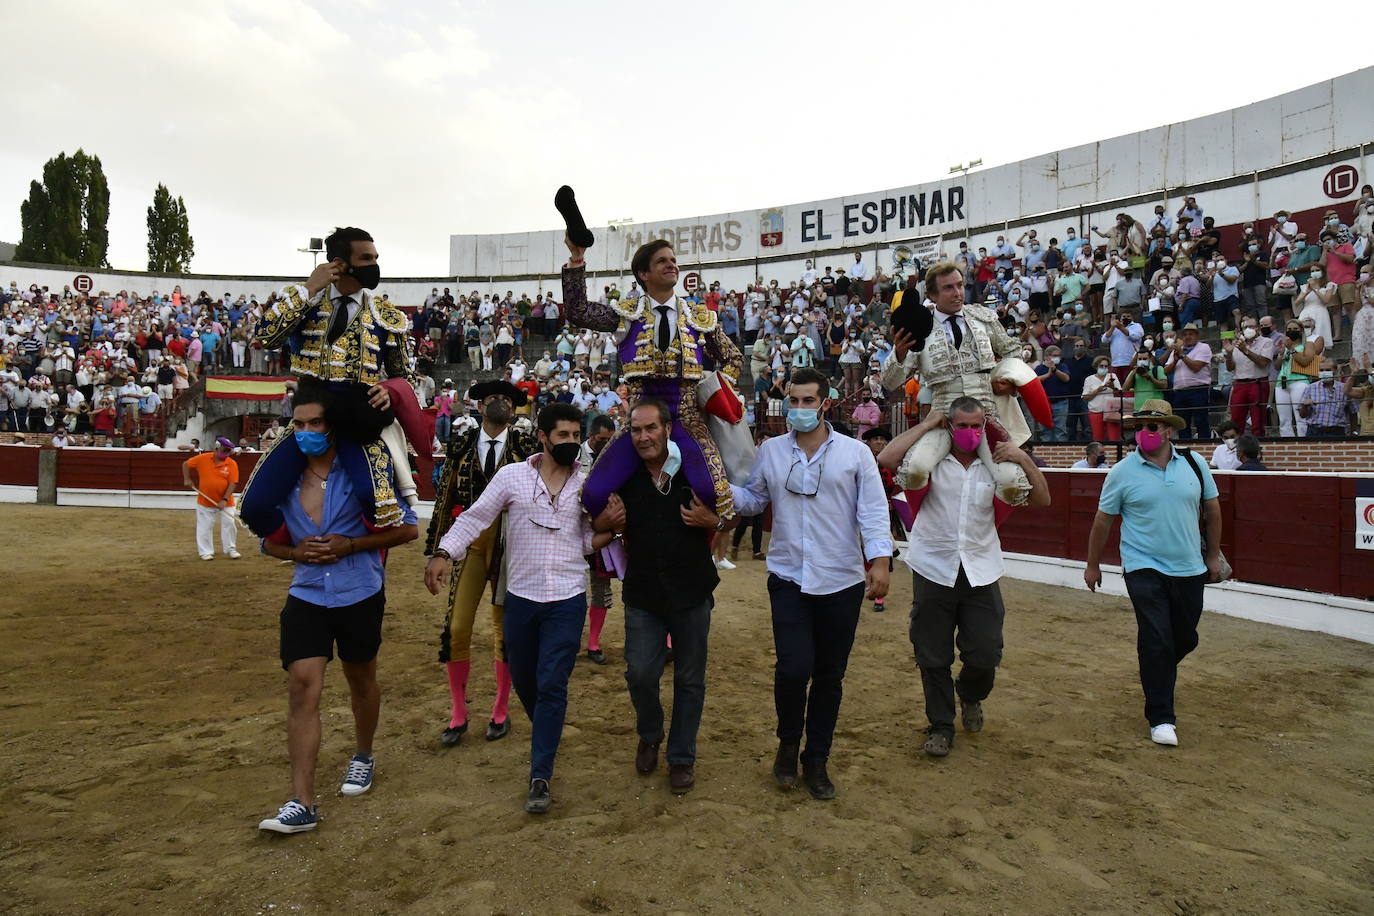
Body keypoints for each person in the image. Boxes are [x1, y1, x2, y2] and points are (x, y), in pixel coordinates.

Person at [426, 403, 613, 814]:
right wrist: (443, 552)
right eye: (562, 436)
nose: (570, 442)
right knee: (529, 682)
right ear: (543, 437)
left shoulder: (587, 485)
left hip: (566, 599)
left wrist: (609, 530)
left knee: (551, 684)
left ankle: (540, 773)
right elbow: (475, 518)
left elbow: (584, 541)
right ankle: (547, 726)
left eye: (574, 435)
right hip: (521, 598)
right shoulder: (512, 476)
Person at [256, 387, 419, 834]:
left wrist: (353, 544)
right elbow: (267, 542)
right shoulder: (284, 476)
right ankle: (301, 802)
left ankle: (363, 754)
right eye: (299, 424)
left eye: (315, 424)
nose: (306, 432)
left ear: (333, 426)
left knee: (361, 678)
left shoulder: (362, 470)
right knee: (302, 687)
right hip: (306, 593)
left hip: (360, 590)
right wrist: (295, 553)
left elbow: (408, 530)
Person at [730, 368, 891, 800]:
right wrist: (716, 487)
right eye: (792, 402)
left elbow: (873, 512)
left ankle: (816, 757)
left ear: (825, 403)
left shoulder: (856, 454)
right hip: (788, 575)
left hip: (840, 578)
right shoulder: (771, 451)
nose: (798, 410)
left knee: (829, 675)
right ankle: (787, 744)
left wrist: (880, 561)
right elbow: (754, 500)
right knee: (792, 668)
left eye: (806, 402)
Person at [877, 398, 1050, 757]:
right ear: (950, 427)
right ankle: (940, 725)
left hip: (981, 570)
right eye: (962, 426)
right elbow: (886, 460)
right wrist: (927, 424)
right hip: (933, 568)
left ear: (983, 425)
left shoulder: (996, 466)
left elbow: (1043, 501)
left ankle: (970, 694)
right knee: (932, 654)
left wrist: (1022, 458)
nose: (970, 432)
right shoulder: (931, 463)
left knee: (986, 652)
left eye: (976, 425)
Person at [244, 226, 427, 519]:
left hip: (358, 419)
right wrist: (309, 288)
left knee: (378, 503)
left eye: (375, 257)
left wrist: (390, 390)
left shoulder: (386, 314)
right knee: (254, 505)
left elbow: (403, 376)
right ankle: (303, 547)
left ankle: (356, 551)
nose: (375, 265)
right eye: (366, 258)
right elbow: (265, 337)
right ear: (339, 264)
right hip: (308, 417)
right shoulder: (306, 301)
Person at [561, 237, 745, 521]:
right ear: (643, 274)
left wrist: (713, 394)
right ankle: (621, 546)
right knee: (593, 494)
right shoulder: (627, 314)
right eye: (662, 261)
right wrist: (576, 260)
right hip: (640, 421)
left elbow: (733, 359)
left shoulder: (699, 316)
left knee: (714, 493)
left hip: (686, 418)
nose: (671, 265)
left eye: (673, 260)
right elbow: (578, 311)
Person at [592, 399, 721, 794]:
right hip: (644, 592)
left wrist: (710, 521)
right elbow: (597, 520)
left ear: (667, 428)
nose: (644, 437)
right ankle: (650, 733)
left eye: (650, 428)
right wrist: (607, 524)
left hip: (692, 589)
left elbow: (732, 511)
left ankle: (681, 756)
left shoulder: (695, 472)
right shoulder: (625, 478)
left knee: (690, 679)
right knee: (640, 673)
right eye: (636, 430)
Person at [1085, 400, 1223, 748]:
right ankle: (1161, 717)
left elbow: (1212, 509)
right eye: (1139, 426)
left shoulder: (1194, 463)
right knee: (1158, 637)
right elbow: (1103, 519)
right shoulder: (1121, 472)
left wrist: (1213, 557)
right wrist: (1093, 563)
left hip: (1189, 567)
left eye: (1152, 426)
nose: (1143, 432)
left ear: (1169, 431)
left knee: (1184, 637)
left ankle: (1154, 667)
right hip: (1142, 566)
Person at [425, 380, 537, 746]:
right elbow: (444, 501)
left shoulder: (527, 447)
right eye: (494, 399)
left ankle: (500, 710)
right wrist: (437, 550)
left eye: (507, 400)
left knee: (505, 631)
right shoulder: (460, 446)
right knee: (458, 628)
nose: (501, 404)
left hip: (512, 549)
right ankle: (459, 713)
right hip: (471, 545)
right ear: (480, 405)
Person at [579, 414, 618, 665]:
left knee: (601, 588)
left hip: (603, 532)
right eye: (603, 439)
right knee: (572, 589)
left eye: (610, 440)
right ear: (591, 436)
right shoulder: (573, 455)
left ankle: (593, 643)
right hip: (573, 531)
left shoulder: (616, 458)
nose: (606, 444)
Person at [182, 436, 241, 561]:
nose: (226, 454)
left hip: (227, 501)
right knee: (205, 526)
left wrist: (224, 500)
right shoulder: (202, 458)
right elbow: (186, 464)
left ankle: (231, 548)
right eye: (224, 450)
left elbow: (232, 483)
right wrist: (187, 478)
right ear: (216, 448)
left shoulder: (231, 463)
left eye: (228, 451)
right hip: (205, 501)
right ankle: (205, 551)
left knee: (229, 523)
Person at [1223, 319, 1273, 436]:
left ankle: (1258, 448)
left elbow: (1263, 362)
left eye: (1251, 326)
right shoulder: (1237, 343)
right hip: (1239, 383)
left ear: (1258, 329)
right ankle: (1236, 449)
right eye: (1245, 327)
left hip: (1258, 382)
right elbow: (1230, 368)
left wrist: (1245, 350)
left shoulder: (1266, 342)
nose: (1248, 329)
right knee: (1236, 419)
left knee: (1258, 420)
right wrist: (1229, 355)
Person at [1300, 359, 1350, 437]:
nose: (1324, 373)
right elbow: (1302, 415)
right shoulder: (1310, 388)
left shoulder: (1344, 388)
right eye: (1321, 370)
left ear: (1335, 371)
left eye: (1327, 370)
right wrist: (1304, 406)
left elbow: (1353, 412)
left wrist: (1354, 432)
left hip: (1337, 433)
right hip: (1314, 432)